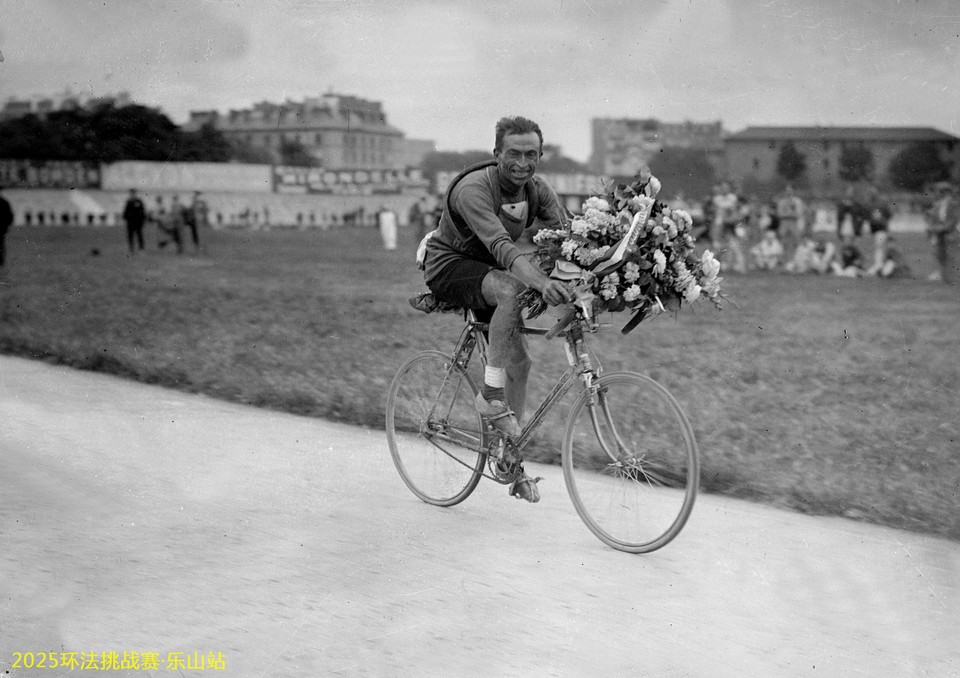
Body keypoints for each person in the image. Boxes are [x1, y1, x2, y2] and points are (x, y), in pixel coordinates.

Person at [420, 116, 573, 503]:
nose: (523, 162)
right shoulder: (474, 188)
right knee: (511, 287)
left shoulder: (538, 191)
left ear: (540, 155)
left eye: (532, 154)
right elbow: (503, 247)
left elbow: (570, 239)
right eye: (514, 153)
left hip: (488, 272)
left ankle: (508, 456)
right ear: (496, 154)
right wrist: (541, 282)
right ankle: (490, 395)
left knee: (521, 364)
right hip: (449, 266)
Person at [925, 181, 959, 284]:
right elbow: (932, 217)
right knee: (940, 255)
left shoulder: (954, 204)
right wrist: (932, 227)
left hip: (950, 234)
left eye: (939, 191)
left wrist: (941, 228)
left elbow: (953, 219)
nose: (937, 193)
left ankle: (950, 278)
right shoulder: (939, 204)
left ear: (945, 192)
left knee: (950, 256)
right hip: (940, 235)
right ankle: (943, 276)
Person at [775, 184, 806, 255]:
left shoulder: (797, 201)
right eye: (787, 190)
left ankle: (798, 256)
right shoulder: (782, 201)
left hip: (794, 222)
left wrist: (789, 213)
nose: (788, 192)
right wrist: (788, 213)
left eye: (790, 190)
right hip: (784, 222)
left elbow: (799, 213)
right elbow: (779, 213)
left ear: (793, 191)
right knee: (783, 240)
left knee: (797, 240)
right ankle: (782, 257)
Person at [122, 188, 147, 254]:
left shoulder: (139, 201)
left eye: (133, 193)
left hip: (138, 222)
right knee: (130, 235)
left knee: (139, 235)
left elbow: (142, 211)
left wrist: (142, 220)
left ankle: (141, 248)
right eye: (131, 193)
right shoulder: (128, 202)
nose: (132, 195)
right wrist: (126, 217)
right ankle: (131, 249)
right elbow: (125, 212)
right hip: (130, 222)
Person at [0, 185, 13, 269]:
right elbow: (10, 217)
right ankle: (1, 261)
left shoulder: (4, 202)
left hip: (1, 228)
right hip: (1, 229)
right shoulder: (4, 202)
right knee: (1, 245)